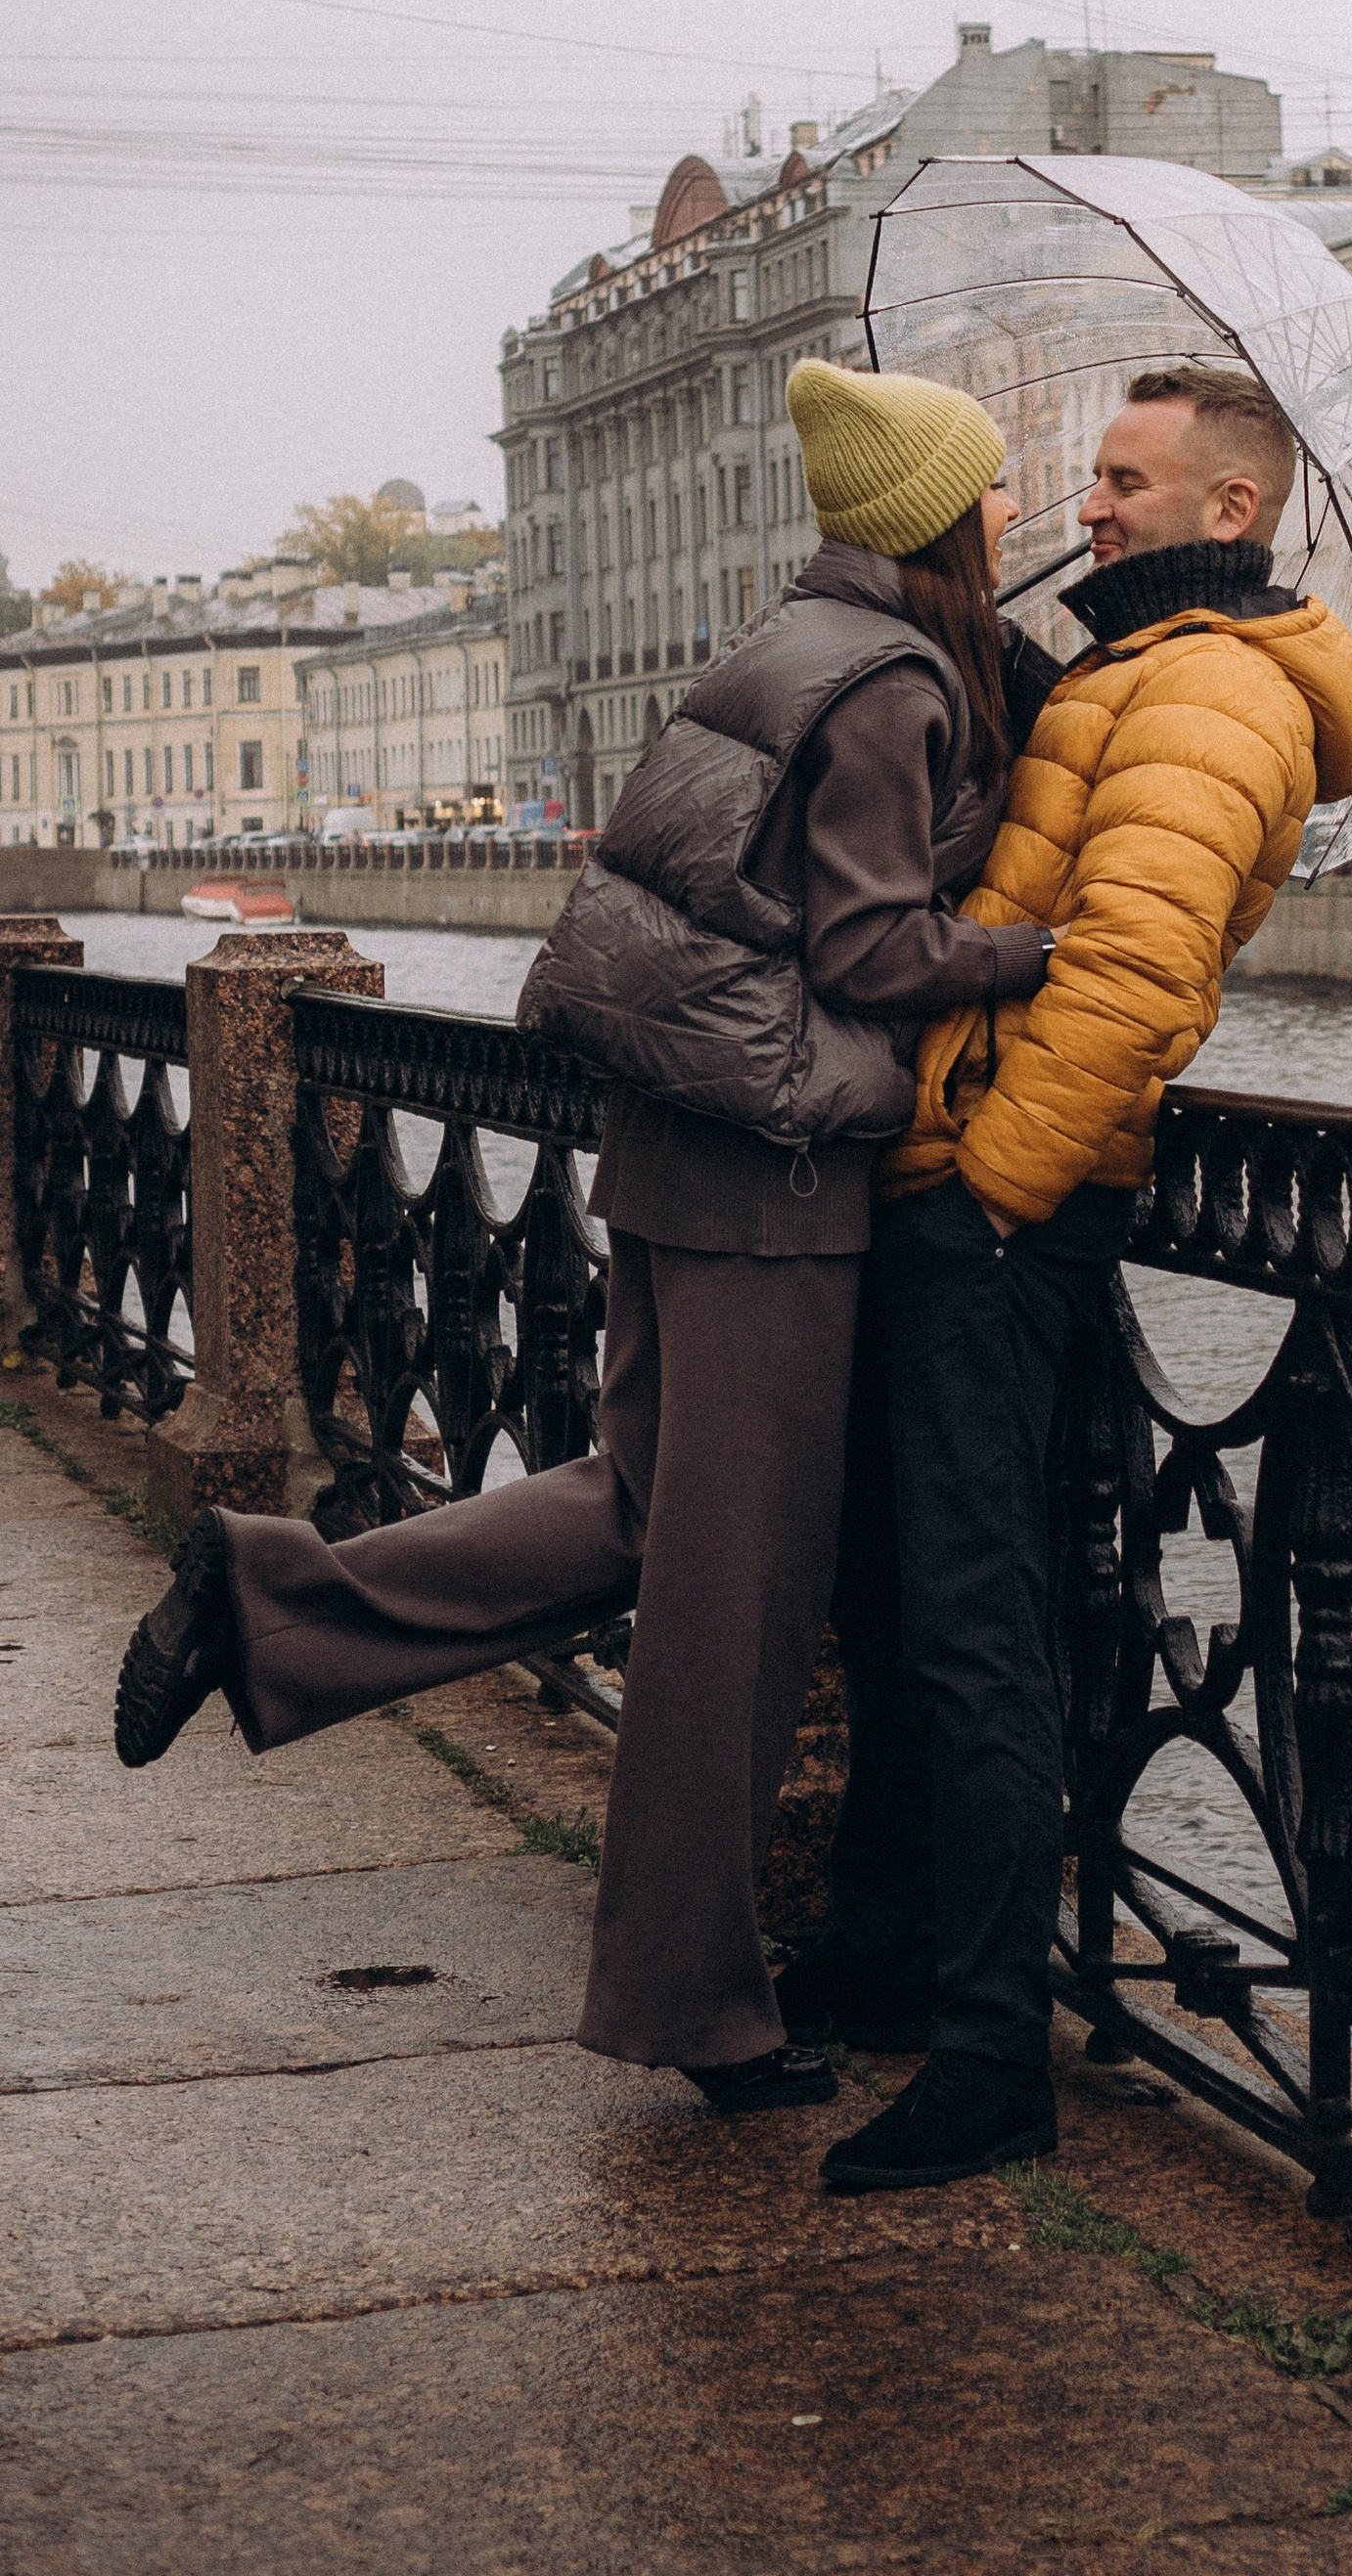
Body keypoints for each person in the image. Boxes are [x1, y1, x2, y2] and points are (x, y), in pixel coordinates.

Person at [113, 364, 1055, 2112]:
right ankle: (695, 2004)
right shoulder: (898, 685)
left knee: (637, 1511)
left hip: (666, 1157)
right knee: (735, 1609)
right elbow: (868, 953)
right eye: (996, 491)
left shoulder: (784, 641)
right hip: (777, 1186)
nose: (1015, 515)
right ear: (939, 514)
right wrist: (1033, 945)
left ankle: (265, 1599)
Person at [805, 358, 1352, 2194]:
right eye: (1094, 480)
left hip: (1000, 1213)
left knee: (978, 1627)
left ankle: (994, 2057)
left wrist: (985, 1189)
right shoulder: (1138, 668)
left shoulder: (1214, 689)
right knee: (905, 1591)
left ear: (1233, 508)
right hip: (961, 1188)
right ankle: (892, 1959)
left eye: (1128, 483)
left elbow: (1135, 980)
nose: (1091, 508)